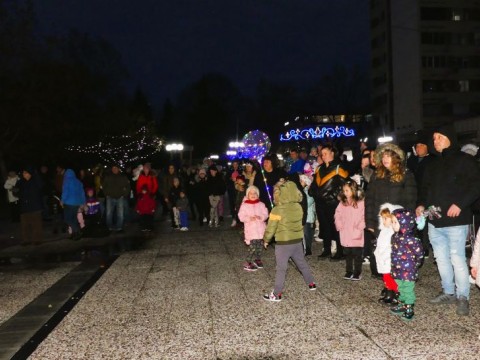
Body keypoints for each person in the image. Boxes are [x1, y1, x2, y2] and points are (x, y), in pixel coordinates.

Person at [416, 124, 480, 316]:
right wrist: (421, 204)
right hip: (435, 220)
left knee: (457, 258)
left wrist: (460, 204)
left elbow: (476, 185)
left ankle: (463, 297)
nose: (435, 141)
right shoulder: (432, 164)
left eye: (439, 137)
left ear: (449, 138)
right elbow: (425, 189)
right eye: (434, 138)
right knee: (441, 259)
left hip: (456, 220)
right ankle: (448, 292)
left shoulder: (465, 160)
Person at [365, 143, 417, 278]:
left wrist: (404, 222)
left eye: (388, 156)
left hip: (396, 222)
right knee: (381, 252)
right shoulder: (376, 175)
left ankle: (395, 282)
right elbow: (369, 200)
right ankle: (386, 282)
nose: (385, 159)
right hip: (380, 221)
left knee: (395, 253)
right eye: (383, 156)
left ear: (396, 157)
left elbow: (410, 201)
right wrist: (369, 223)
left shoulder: (406, 174)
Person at [263, 180, 317, 302]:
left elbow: (271, 227)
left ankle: (276, 294)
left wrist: (266, 239)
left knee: (281, 268)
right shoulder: (298, 207)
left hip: (283, 244)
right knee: (302, 263)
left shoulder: (277, 210)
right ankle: (311, 283)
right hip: (297, 241)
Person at [309, 144, 349, 261]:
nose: (323, 155)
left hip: (333, 203)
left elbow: (344, 186)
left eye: (325, 153)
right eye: (322, 154)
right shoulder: (319, 168)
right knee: (324, 226)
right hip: (320, 202)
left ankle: (340, 251)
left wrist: (333, 196)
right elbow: (314, 184)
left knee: (336, 226)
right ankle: (326, 249)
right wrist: (313, 192)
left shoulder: (339, 168)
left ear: (332, 153)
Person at [389, 208, 424, 321]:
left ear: (405, 224)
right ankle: (402, 304)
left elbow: (420, 254)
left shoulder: (413, 240)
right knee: (400, 287)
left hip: (409, 271)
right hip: (397, 269)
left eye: (395, 222)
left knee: (408, 289)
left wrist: (415, 265)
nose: (393, 225)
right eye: (392, 222)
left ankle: (409, 307)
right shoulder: (394, 237)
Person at [334, 180, 365, 280]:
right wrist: (339, 224)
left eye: (347, 190)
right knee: (348, 254)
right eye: (344, 191)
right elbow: (337, 214)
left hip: (356, 232)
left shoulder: (360, 203)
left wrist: (361, 225)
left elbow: (364, 215)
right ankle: (349, 271)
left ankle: (357, 272)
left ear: (353, 190)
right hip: (346, 233)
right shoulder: (342, 203)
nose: (345, 193)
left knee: (357, 255)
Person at [375, 204, 403, 304]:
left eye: (385, 218)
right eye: (383, 218)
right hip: (382, 257)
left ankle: (396, 293)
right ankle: (389, 292)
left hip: (389, 258)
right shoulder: (384, 230)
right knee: (386, 277)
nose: (383, 221)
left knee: (390, 277)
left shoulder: (393, 231)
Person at [238, 185, 269, 271]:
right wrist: (248, 218)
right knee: (252, 247)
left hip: (260, 230)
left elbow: (266, 214)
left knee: (259, 247)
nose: (253, 195)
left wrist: (261, 217)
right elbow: (241, 216)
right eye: (251, 193)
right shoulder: (244, 205)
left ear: (258, 195)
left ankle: (258, 259)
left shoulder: (261, 204)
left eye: (255, 193)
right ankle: (247, 262)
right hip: (251, 230)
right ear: (247, 195)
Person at [17, 166, 44, 245]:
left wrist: (36, 174)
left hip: (35, 206)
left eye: (25, 173)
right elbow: (17, 191)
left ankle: (37, 239)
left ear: (30, 174)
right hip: (24, 207)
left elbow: (41, 186)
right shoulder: (21, 182)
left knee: (36, 224)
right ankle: (26, 240)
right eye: (23, 173)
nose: (24, 174)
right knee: (25, 225)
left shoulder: (35, 181)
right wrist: (16, 191)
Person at [102, 164, 131, 232]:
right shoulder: (108, 176)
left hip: (120, 197)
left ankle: (119, 227)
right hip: (110, 197)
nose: (114, 169)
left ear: (118, 169)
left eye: (115, 168)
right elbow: (104, 186)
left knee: (120, 213)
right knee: (109, 213)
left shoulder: (123, 176)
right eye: (113, 168)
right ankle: (109, 227)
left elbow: (128, 186)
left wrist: (124, 194)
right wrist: (106, 194)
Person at [61, 169, 86, 240]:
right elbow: (82, 193)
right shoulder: (78, 182)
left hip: (68, 203)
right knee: (74, 219)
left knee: (67, 219)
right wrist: (83, 203)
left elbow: (65, 192)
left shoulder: (67, 181)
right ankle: (75, 235)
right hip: (77, 203)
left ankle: (77, 231)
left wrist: (62, 200)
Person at [299, 174, 315, 256]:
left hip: (308, 217)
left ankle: (307, 249)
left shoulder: (309, 192)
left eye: (301, 181)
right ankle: (303, 249)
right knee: (302, 234)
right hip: (302, 216)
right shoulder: (300, 191)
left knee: (307, 234)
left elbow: (307, 202)